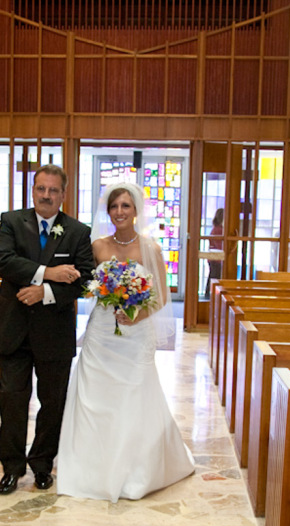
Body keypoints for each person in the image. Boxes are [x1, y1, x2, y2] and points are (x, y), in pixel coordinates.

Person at [56, 182, 195, 503]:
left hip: (134, 335)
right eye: (114, 206)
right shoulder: (97, 247)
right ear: (108, 211)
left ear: (136, 211)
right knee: (95, 395)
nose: (119, 212)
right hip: (102, 333)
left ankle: (134, 468)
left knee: (132, 395)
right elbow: (86, 285)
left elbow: (161, 297)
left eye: (125, 206)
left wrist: (137, 317)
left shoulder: (151, 249)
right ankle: (89, 464)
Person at [0, 165, 97, 495]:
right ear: (33, 190)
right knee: (13, 401)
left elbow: (85, 280)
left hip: (54, 333)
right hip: (13, 329)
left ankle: (43, 465)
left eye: (53, 190)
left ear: (63, 194)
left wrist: (44, 292)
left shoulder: (77, 231)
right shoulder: (11, 221)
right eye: (40, 189)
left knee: (52, 403)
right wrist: (50, 272)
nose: (46, 195)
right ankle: (12, 468)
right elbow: (4, 262)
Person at [204, 208, 224, 298]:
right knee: (215, 277)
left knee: (212, 276)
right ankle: (211, 295)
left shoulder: (215, 228)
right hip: (217, 258)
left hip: (212, 257)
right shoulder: (219, 230)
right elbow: (220, 245)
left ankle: (208, 294)